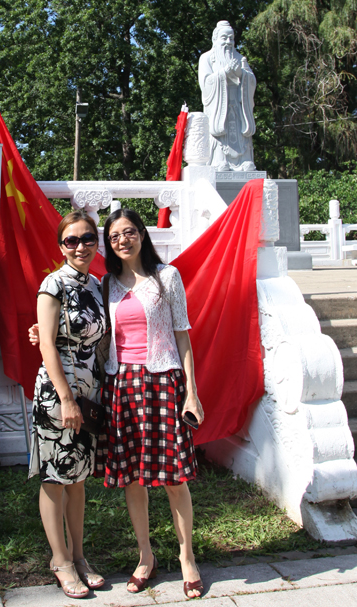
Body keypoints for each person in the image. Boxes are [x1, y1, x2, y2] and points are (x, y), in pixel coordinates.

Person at [95, 208, 204, 599]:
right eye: (114, 236)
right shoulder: (105, 284)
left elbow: (183, 337)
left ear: (142, 233)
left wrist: (191, 391)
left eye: (129, 232)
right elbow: (93, 334)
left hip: (162, 382)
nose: (122, 240)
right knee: (133, 478)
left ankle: (187, 556)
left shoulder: (167, 277)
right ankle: (146, 556)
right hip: (122, 385)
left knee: (174, 478)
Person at [28, 209, 106, 599]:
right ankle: (59, 559)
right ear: (61, 246)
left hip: (89, 392)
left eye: (87, 238)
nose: (80, 246)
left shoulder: (95, 284)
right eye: (71, 241)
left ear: (96, 241)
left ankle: (79, 556)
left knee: (78, 478)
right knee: (56, 478)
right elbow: (46, 344)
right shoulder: (52, 284)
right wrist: (66, 399)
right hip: (59, 394)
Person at [198, 20, 256, 171]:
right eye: (224, 38)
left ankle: (245, 161)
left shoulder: (240, 58)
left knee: (240, 131)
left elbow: (251, 81)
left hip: (238, 105)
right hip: (219, 107)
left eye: (231, 38)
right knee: (220, 133)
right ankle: (219, 161)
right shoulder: (207, 58)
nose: (228, 42)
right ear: (215, 39)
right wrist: (224, 73)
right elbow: (205, 83)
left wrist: (241, 74)